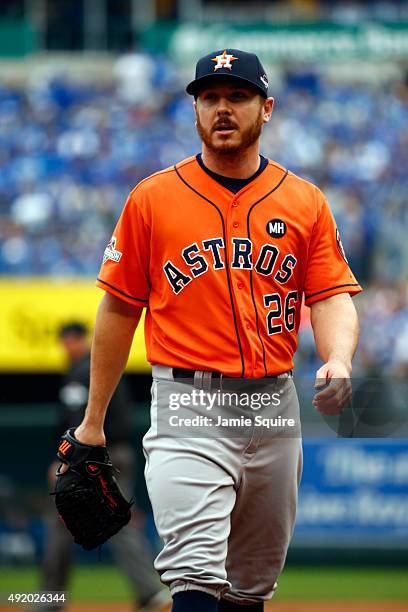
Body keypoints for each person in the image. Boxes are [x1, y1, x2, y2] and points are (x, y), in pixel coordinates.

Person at [62, 49, 362, 611]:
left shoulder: (304, 200)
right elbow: (119, 310)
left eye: (237, 97)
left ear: (266, 108)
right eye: (209, 98)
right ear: (196, 110)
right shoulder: (152, 199)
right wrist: (92, 423)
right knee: (195, 577)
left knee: (250, 589)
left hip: (274, 402)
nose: (222, 109)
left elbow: (331, 295)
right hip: (188, 403)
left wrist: (339, 357)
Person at [44, 322, 170, 612]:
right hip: (114, 453)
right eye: (66, 340)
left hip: (91, 456)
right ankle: (148, 594)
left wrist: (64, 460)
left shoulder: (81, 371)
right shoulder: (106, 368)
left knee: (92, 522)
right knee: (101, 523)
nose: (68, 345)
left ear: (81, 340)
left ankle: (51, 600)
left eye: (72, 339)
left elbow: (75, 419)